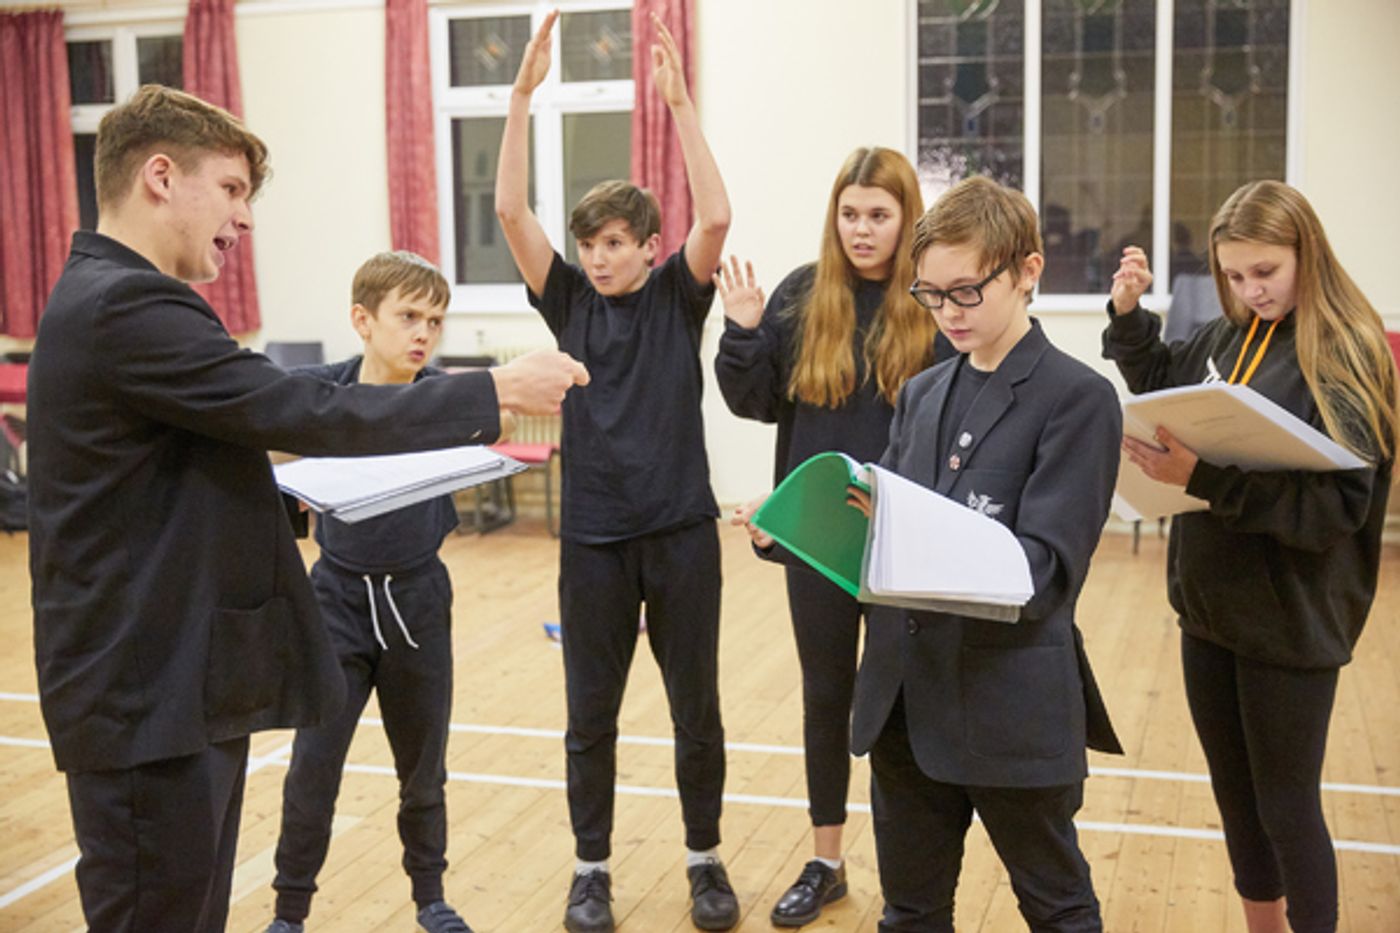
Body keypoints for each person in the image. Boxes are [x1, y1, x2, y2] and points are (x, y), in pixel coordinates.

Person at [26, 84, 587, 933]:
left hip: (174, 682)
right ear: (161, 176)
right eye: (232, 189)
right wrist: (498, 389)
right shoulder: (124, 304)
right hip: (147, 692)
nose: (244, 218)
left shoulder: (122, 299)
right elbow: (299, 411)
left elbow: (239, 443)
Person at [494, 12, 736, 933]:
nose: (595, 256)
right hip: (592, 541)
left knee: (696, 713)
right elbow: (512, 212)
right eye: (586, 243)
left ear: (646, 244)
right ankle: (590, 868)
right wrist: (520, 99)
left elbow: (716, 216)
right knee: (589, 718)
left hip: (679, 533)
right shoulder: (566, 303)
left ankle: (704, 858)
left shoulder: (680, 296)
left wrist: (678, 105)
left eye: (611, 243)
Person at [1104, 180, 1396, 933]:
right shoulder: (1228, 338)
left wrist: (1202, 477)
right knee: (1238, 803)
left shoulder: (1348, 351)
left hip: (1292, 620)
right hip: (1209, 607)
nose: (1249, 289)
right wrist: (1130, 316)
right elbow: (1165, 381)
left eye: (1264, 272)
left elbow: (1336, 510)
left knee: (1287, 810)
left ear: (1308, 254)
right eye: (1234, 275)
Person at [848, 176, 1123, 932]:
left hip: (1008, 706)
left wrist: (916, 547)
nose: (946, 313)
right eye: (930, 295)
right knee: (909, 912)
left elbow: (1043, 571)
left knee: (1057, 908)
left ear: (1028, 270)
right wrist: (807, 534)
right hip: (904, 701)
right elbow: (886, 537)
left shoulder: (1078, 398)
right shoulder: (922, 392)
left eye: (965, 291)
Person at [713, 146, 949, 927]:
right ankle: (827, 861)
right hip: (816, 538)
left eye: (878, 214)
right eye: (849, 213)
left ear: (905, 218)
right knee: (826, 698)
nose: (861, 228)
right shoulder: (801, 295)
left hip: (898, 540)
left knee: (894, 706)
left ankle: (910, 874)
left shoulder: (933, 302)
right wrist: (743, 331)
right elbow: (753, 402)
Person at [264, 252, 474, 933]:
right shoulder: (318, 392)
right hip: (336, 603)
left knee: (423, 770)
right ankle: (289, 912)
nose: (423, 333)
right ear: (362, 320)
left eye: (435, 321)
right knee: (312, 769)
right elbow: (259, 439)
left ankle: (431, 900)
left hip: (417, 603)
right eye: (408, 316)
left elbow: (496, 421)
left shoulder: (442, 398)